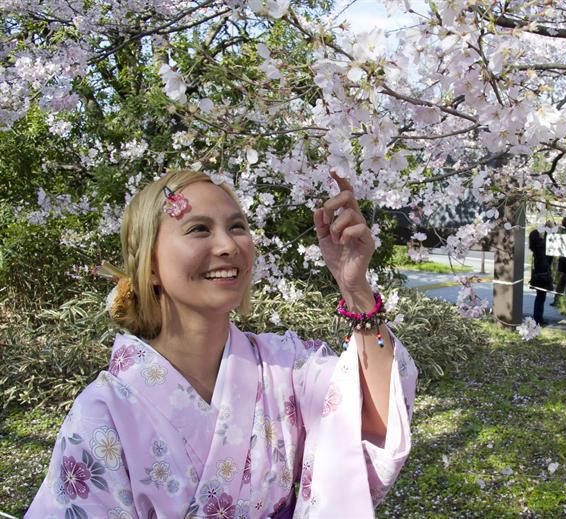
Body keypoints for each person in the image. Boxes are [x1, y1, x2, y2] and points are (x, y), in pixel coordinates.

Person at [26, 169, 418, 518]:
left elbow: (370, 421)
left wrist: (357, 291)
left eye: (236, 227)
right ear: (150, 265)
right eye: (199, 229)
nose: (228, 245)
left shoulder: (286, 364)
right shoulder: (105, 413)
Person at [528, 229, 552, 326]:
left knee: (539, 298)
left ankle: (537, 318)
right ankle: (538, 319)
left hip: (538, 275)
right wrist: (548, 231)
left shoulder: (535, 247)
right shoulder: (541, 246)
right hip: (543, 275)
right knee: (541, 298)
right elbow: (548, 240)